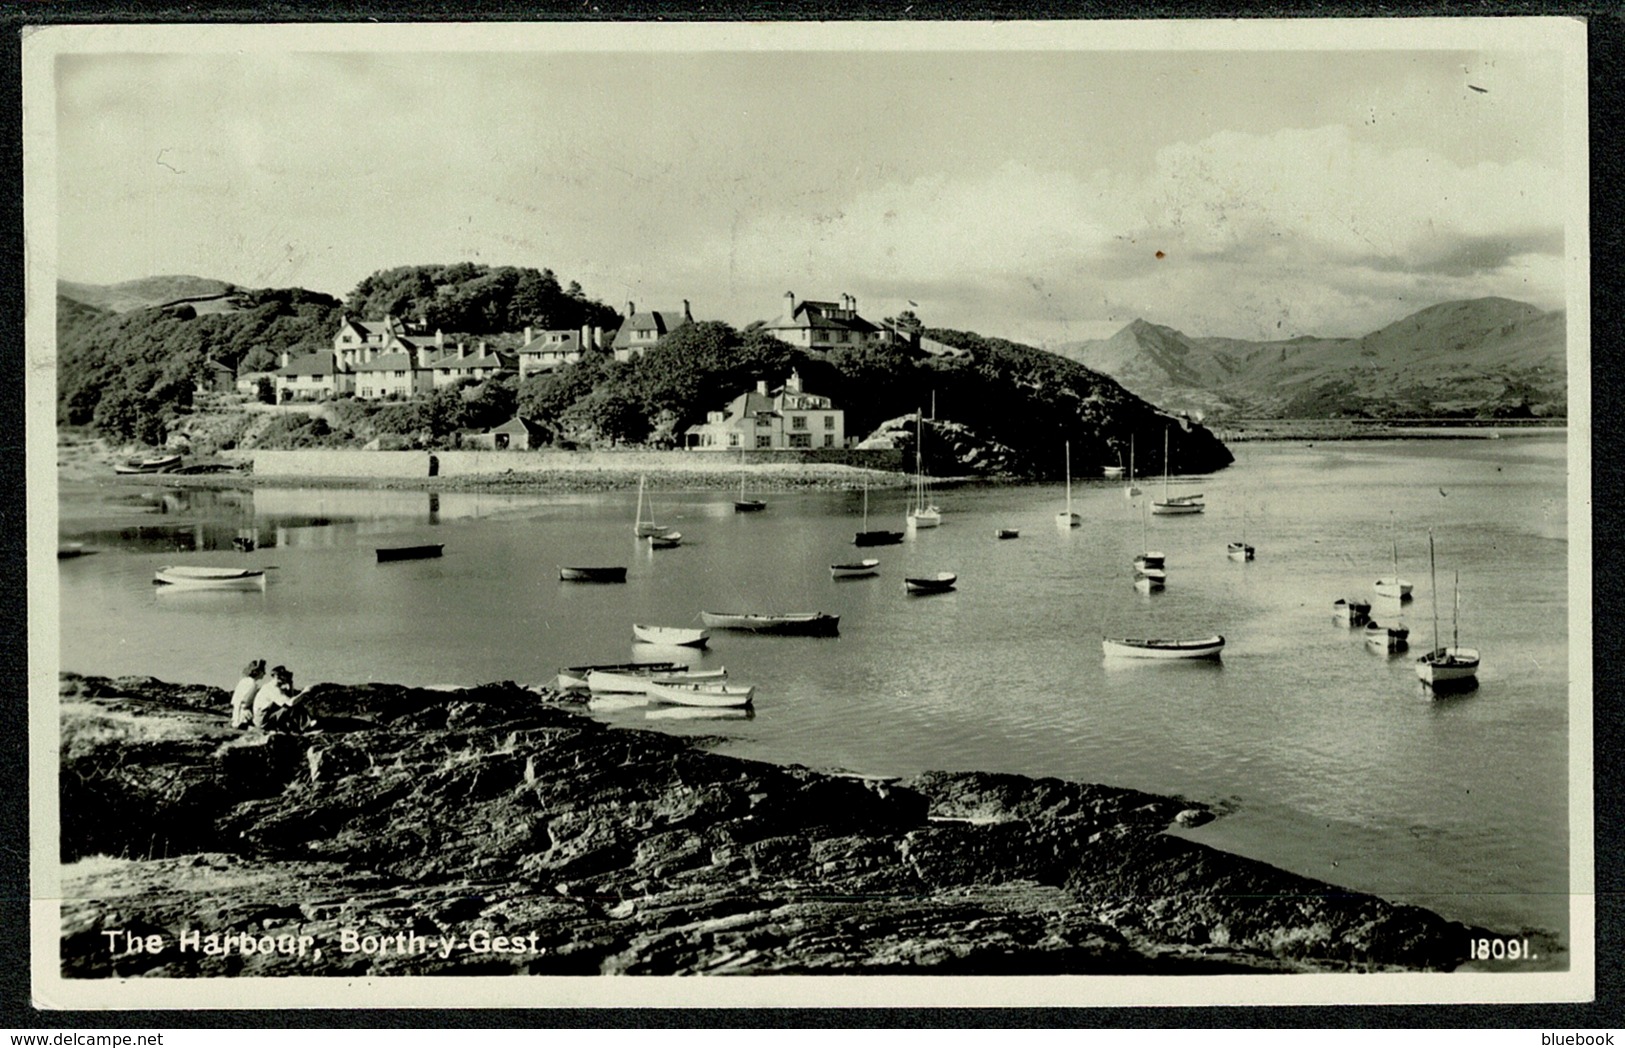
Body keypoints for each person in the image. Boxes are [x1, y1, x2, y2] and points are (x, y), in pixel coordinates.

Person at [253, 665, 313, 733]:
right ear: (278, 677)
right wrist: (305, 692)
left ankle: (301, 727)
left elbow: (290, 698)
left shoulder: (272, 687)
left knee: (293, 704)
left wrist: (290, 683)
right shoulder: (272, 689)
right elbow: (290, 703)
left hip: (263, 717)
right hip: (262, 720)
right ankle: (304, 727)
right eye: (285, 676)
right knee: (291, 706)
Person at [230, 659, 265, 729]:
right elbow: (245, 700)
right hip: (243, 713)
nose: (264, 673)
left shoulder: (244, 681)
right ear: (258, 672)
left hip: (237, 711)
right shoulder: (252, 684)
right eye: (263, 671)